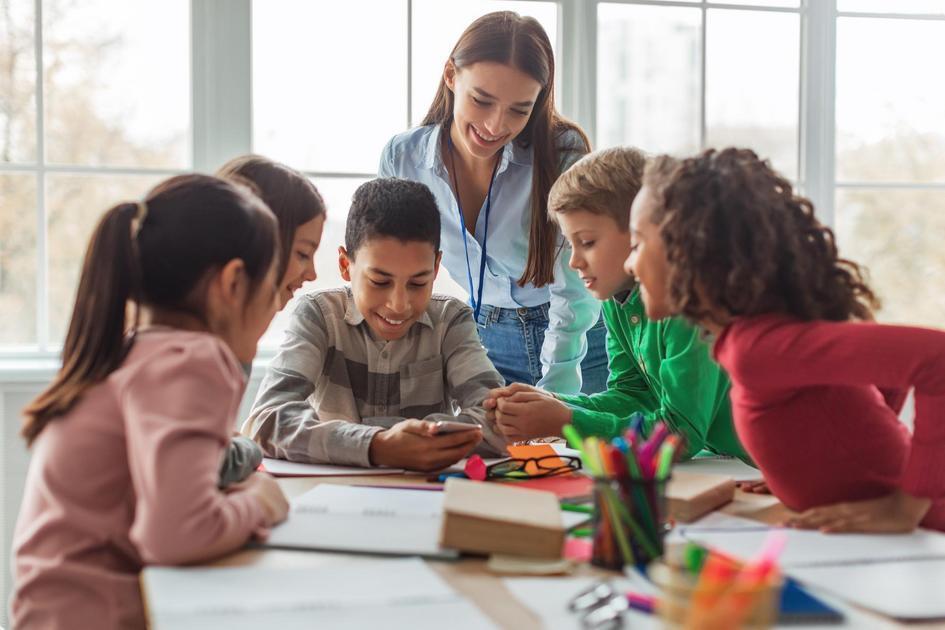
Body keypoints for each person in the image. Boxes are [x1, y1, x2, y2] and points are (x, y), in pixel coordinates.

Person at [12, 174, 290, 629]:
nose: (275, 308)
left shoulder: (136, 349)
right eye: (273, 288)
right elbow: (177, 535)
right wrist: (262, 501)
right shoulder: (190, 359)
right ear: (234, 282)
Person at [628, 147, 945, 533]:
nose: (630, 264)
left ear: (691, 254)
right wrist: (810, 470)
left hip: (927, 535)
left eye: (637, 244)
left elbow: (937, 360)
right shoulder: (751, 339)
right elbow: (869, 360)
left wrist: (904, 507)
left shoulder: (757, 349)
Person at [379, 11, 607, 395]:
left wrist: (557, 393)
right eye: (482, 100)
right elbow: (389, 271)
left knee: (586, 456)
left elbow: (575, 289)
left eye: (519, 109)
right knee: (499, 457)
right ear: (451, 76)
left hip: (583, 342)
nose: (495, 125)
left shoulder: (563, 153)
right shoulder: (403, 160)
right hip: (488, 338)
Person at [485, 147, 750, 463]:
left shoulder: (687, 308)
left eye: (587, 242)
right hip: (730, 465)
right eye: (570, 245)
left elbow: (681, 434)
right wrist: (553, 403)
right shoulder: (616, 301)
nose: (574, 262)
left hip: (758, 466)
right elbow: (633, 397)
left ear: (641, 232)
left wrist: (566, 420)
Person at [244, 177, 507, 472]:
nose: (399, 304)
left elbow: (499, 422)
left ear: (435, 268)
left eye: (418, 283)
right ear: (346, 266)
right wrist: (378, 445)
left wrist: (411, 439)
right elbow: (266, 419)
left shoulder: (451, 321)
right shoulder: (318, 316)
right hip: (335, 498)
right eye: (380, 282)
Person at [215, 154, 327, 486]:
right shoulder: (204, 353)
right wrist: (247, 448)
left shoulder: (233, 342)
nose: (312, 273)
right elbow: (217, 462)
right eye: (303, 254)